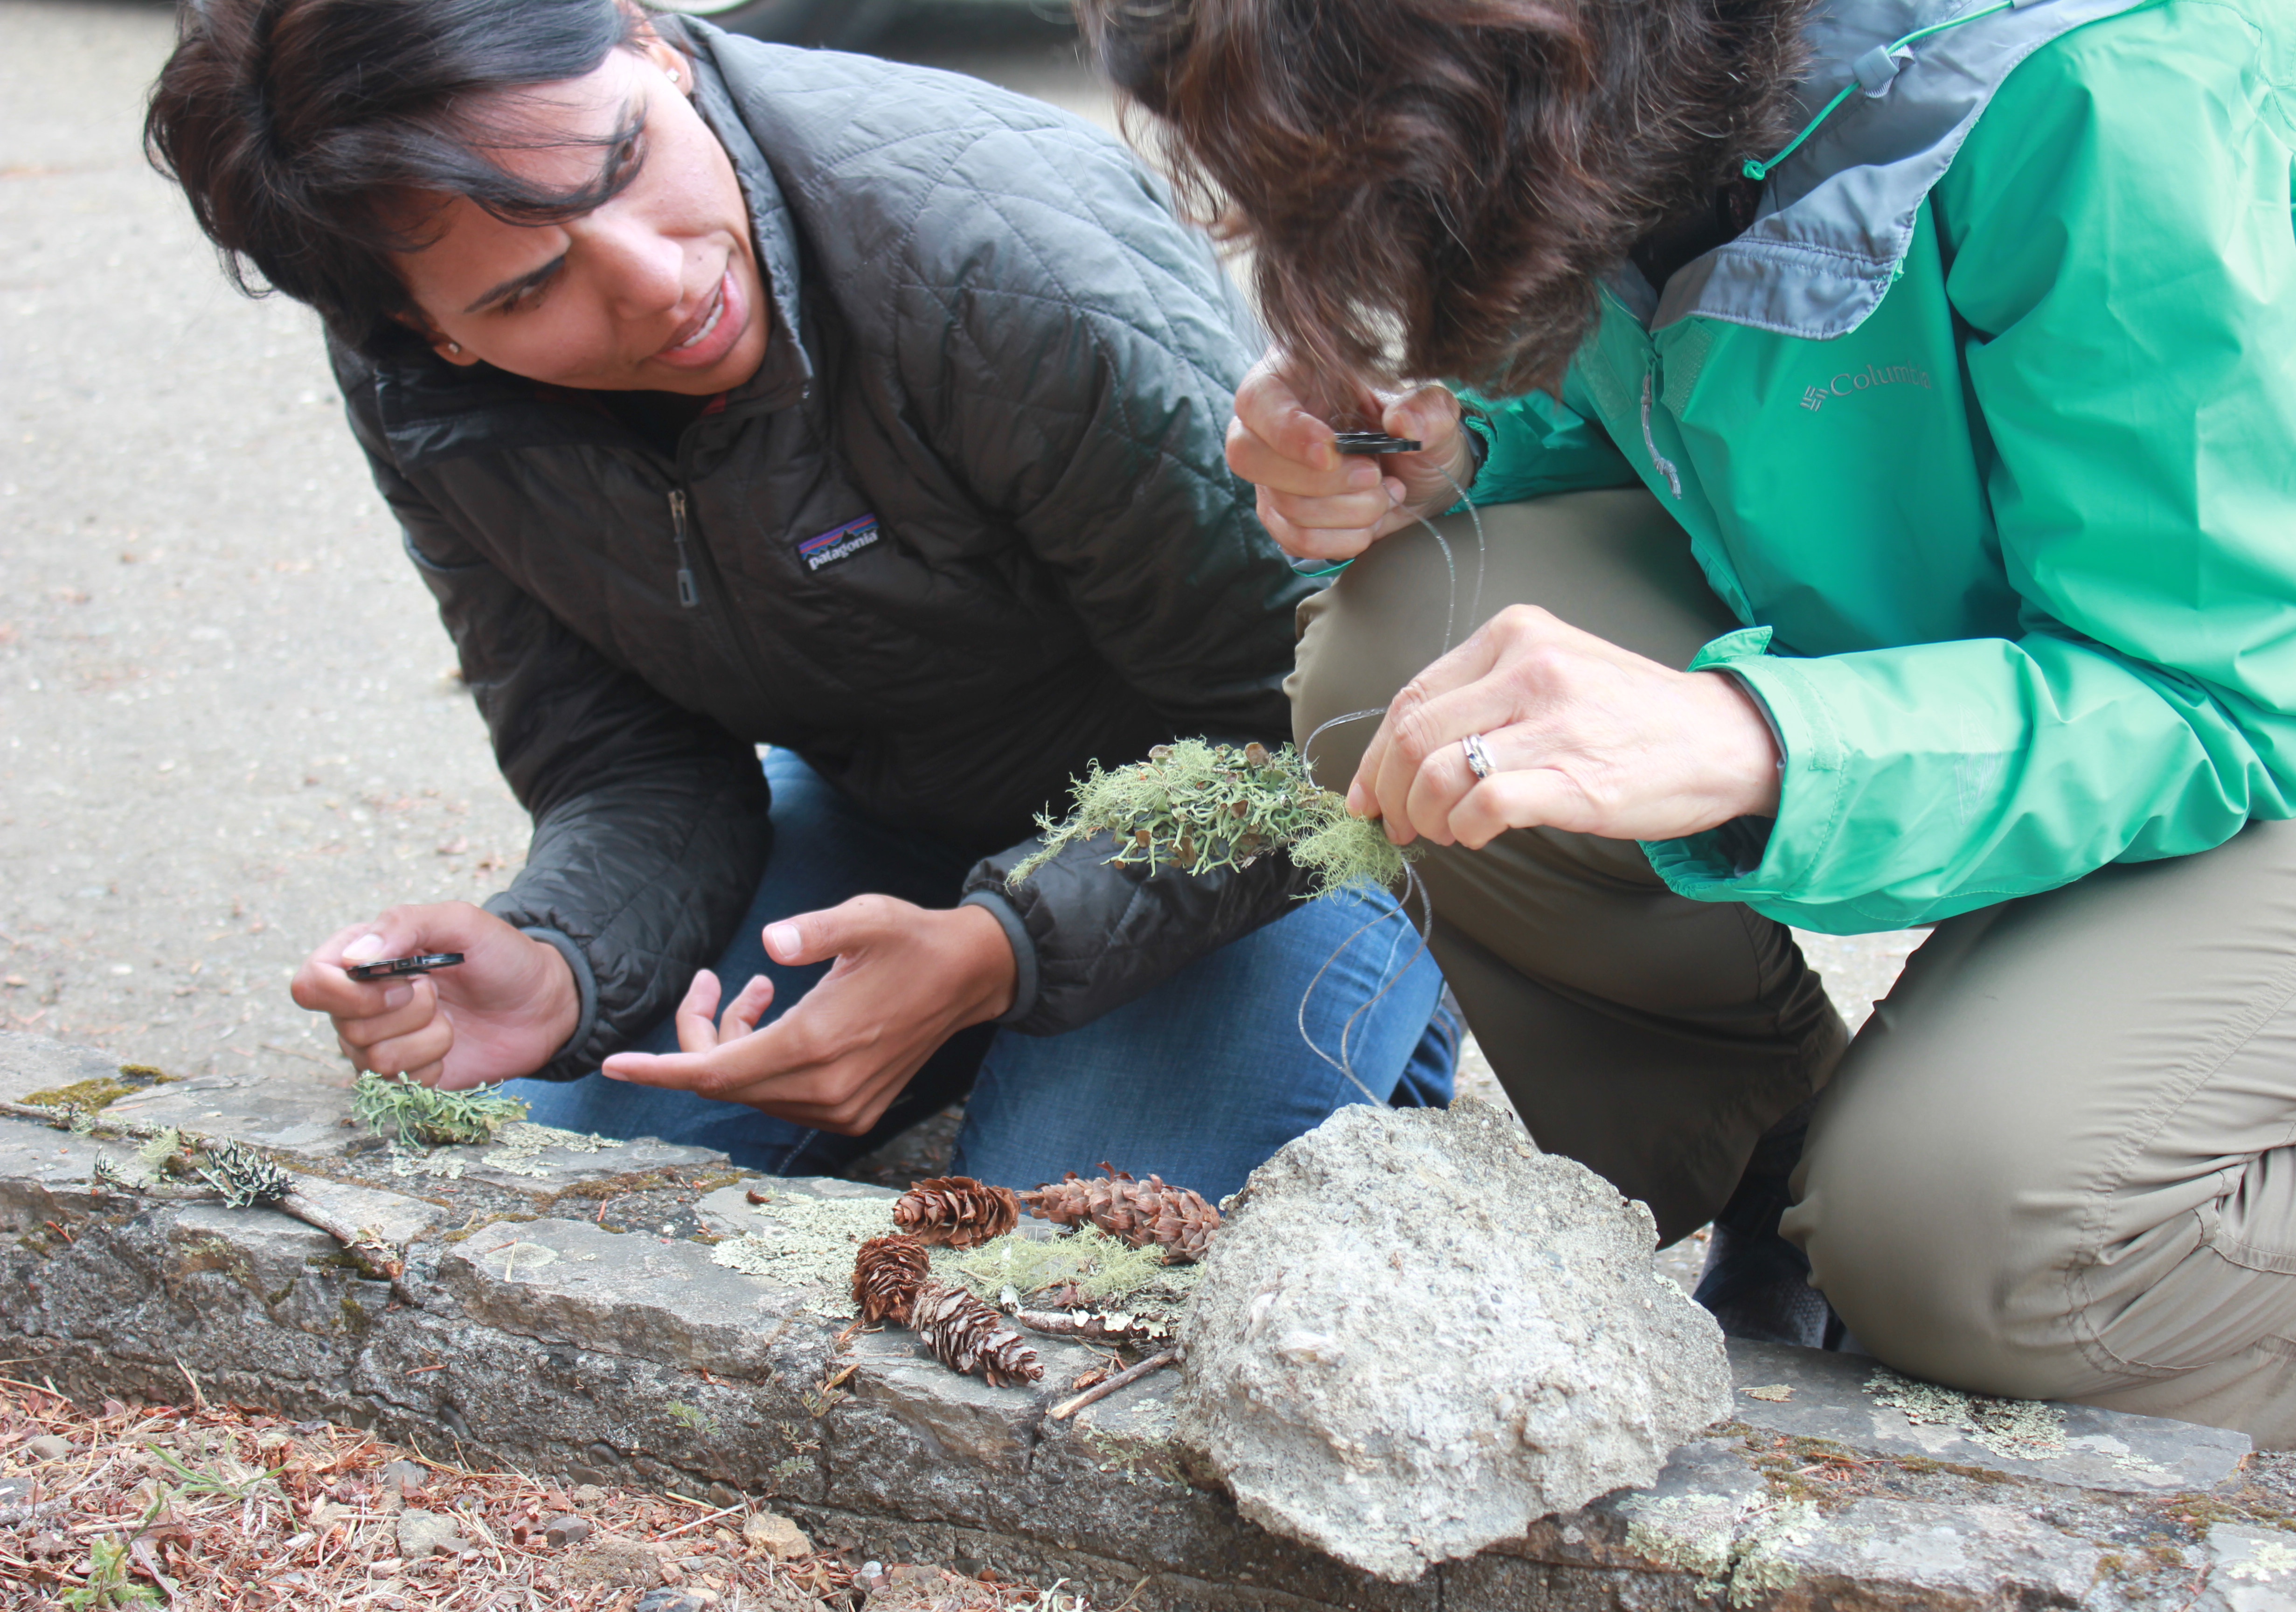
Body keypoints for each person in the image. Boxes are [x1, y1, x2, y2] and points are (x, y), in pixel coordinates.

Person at [1080, 0, 2296, 1448]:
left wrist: (1759, 740)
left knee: (1976, 1237)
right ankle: (1776, 1178)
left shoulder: (2104, 80)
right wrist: (1456, 439)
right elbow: (1736, 402)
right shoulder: (1654, 78)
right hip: (2027, 623)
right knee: (1408, 663)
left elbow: (2201, 693)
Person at [143, 0, 1454, 1205]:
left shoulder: (995, 252)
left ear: (650, 44)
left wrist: (996, 950)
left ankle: (1396, 1042)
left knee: (1043, 1269)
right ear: (429, 331)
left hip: (1269, 825)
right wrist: (564, 962)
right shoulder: (426, 388)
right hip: (900, 817)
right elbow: (619, 752)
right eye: (527, 290)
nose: (653, 279)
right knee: (521, 1181)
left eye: (622, 163)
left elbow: (1309, 726)